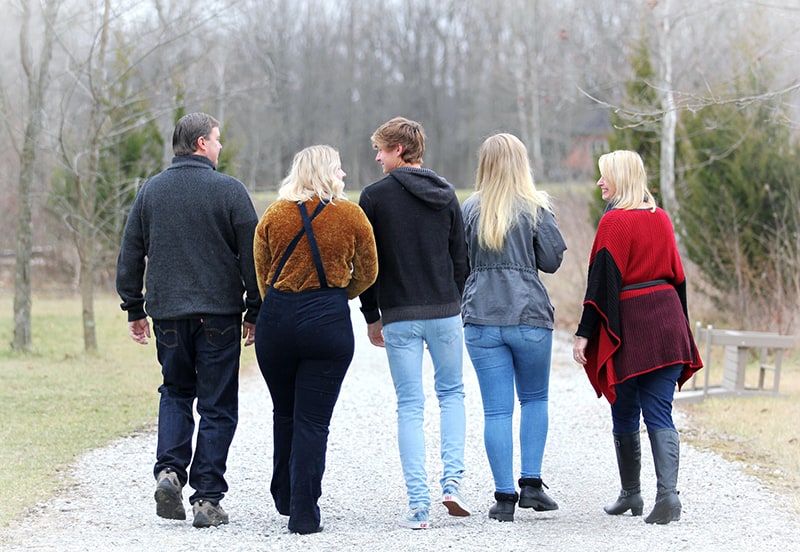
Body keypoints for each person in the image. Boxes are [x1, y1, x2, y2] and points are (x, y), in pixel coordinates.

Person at [115, 112, 262, 528]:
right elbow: (252, 255)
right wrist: (255, 308)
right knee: (216, 404)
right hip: (217, 314)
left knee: (176, 392)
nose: (219, 146)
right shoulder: (229, 190)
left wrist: (133, 306)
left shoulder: (151, 191)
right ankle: (207, 499)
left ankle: (169, 472)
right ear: (201, 143)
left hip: (167, 314)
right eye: (216, 139)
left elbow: (130, 253)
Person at [572, 150, 703, 525]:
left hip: (633, 325)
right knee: (655, 409)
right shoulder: (660, 217)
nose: (599, 182)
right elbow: (678, 276)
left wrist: (585, 334)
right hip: (667, 319)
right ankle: (662, 497)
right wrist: (684, 328)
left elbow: (600, 282)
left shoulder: (614, 222)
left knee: (626, 406)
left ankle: (638, 494)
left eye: (605, 176)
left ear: (621, 178)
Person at [253, 145, 378, 535]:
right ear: (325, 173)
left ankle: (283, 493)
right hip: (327, 319)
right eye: (338, 169)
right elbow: (369, 270)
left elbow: (261, 271)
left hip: (277, 317)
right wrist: (341, 292)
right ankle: (305, 511)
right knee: (313, 420)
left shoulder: (274, 213)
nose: (343, 176)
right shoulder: (351, 215)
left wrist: (276, 299)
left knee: (284, 411)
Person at [358, 117, 471, 530]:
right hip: (445, 312)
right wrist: (451, 297)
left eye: (382, 150)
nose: (377, 156)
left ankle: (419, 506)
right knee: (452, 393)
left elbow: (368, 265)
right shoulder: (446, 194)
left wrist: (373, 315)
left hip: (400, 316)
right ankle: (453, 484)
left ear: (399, 151)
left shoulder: (373, 197)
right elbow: (461, 257)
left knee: (409, 406)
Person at [461, 133, 567, 522]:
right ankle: (532, 486)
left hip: (482, 317)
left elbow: (459, 262)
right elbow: (553, 260)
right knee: (535, 399)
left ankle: (504, 498)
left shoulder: (469, 208)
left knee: (496, 411)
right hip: (529, 315)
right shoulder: (536, 207)